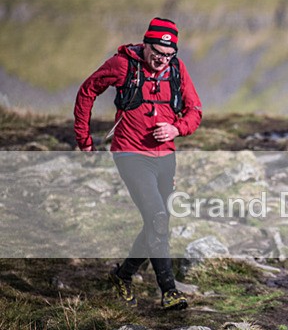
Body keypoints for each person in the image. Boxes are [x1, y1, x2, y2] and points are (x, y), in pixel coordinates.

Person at [73, 17, 202, 310]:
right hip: (130, 153)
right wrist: (84, 139)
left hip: (166, 156)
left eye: (169, 55)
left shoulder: (177, 70)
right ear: (146, 44)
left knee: (159, 221)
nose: (162, 60)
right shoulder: (123, 65)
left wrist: (177, 129)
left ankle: (123, 274)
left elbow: (194, 110)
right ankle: (169, 292)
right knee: (157, 217)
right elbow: (87, 91)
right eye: (158, 53)